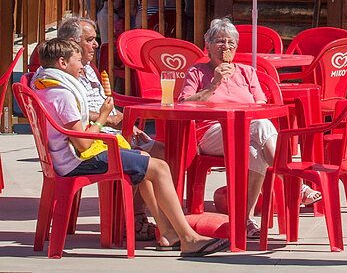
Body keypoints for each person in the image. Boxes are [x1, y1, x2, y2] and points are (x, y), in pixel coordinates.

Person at [30, 38, 229, 256]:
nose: (82, 66)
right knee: (160, 167)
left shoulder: (46, 85)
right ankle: (189, 238)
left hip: (64, 157)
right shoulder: (62, 95)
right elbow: (83, 142)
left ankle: (168, 233)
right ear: (62, 63)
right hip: (77, 160)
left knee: (143, 156)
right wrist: (103, 117)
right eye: (78, 61)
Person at [179, 18, 321, 240]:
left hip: (246, 131)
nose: (226, 47)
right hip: (211, 133)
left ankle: (245, 221)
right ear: (208, 45)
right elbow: (184, 104)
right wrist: (213, 84)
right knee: (261, 127)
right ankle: (297, 185)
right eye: (220, 42)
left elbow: (261, 106)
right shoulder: (197, 72)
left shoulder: (247, 72)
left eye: (231, 43)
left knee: (255, 150)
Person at [53, 14, 163, 240]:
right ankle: (138, 220)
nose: (96, 44)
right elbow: (73, 113)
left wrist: (125, 122)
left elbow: (103, 103)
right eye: (90, 39)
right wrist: (106, 118)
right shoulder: (64, 76)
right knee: (150, 161)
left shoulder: (89, 68)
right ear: (73, 44)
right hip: (94, 143)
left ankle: (142, 218)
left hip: (109, 133)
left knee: (161, 149)